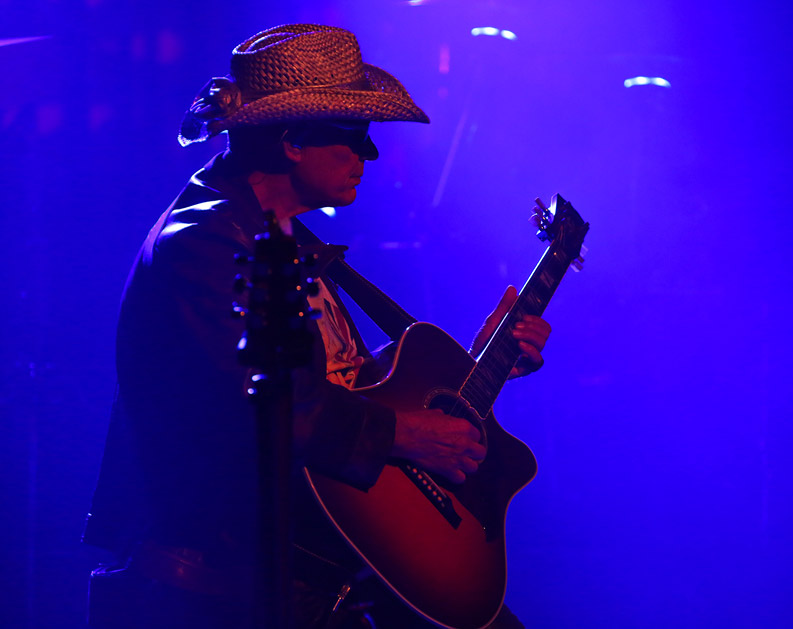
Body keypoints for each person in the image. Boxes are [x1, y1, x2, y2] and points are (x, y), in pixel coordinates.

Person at [84, 23, 551, 629]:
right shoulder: (204, 244)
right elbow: (267, 408)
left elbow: (337, 381)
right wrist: (404, 434)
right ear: (292, 140)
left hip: (306, 578)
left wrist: (479, 362)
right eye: (355, 134)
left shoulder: (274, 231)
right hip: (224, 598)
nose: (371, 153)